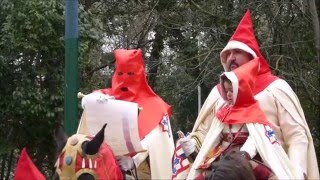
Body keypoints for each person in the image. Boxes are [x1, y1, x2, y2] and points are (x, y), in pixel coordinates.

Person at [179, 9, 319, 179]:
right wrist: (192, 143)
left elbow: (296, 136)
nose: (231, 57)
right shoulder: (218, 94)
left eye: (237, 52)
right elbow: (204, 132)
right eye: (227, 54)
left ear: (251, 55)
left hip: (265, 162)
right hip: (219, 163)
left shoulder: (276, 89)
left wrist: (296, 172)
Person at [188, 58, 300, 179]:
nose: (229, 94)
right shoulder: (224, 111)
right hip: (224, 155)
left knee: (266, 175)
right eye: (226, 90)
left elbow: (257, 136)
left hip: (245, 157)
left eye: (232, 90)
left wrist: (245, 153)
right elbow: (215, 136)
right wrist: (201, 149)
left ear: (241, 89)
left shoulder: (253, 110)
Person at [80, 49, 175, 179]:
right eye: (120, 73)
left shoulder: (157, 106)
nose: (124, 79)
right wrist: (90, 102)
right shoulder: (104, 98)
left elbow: (157, 144)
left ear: (140, 74)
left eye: (130, 73)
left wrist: (134, 160)